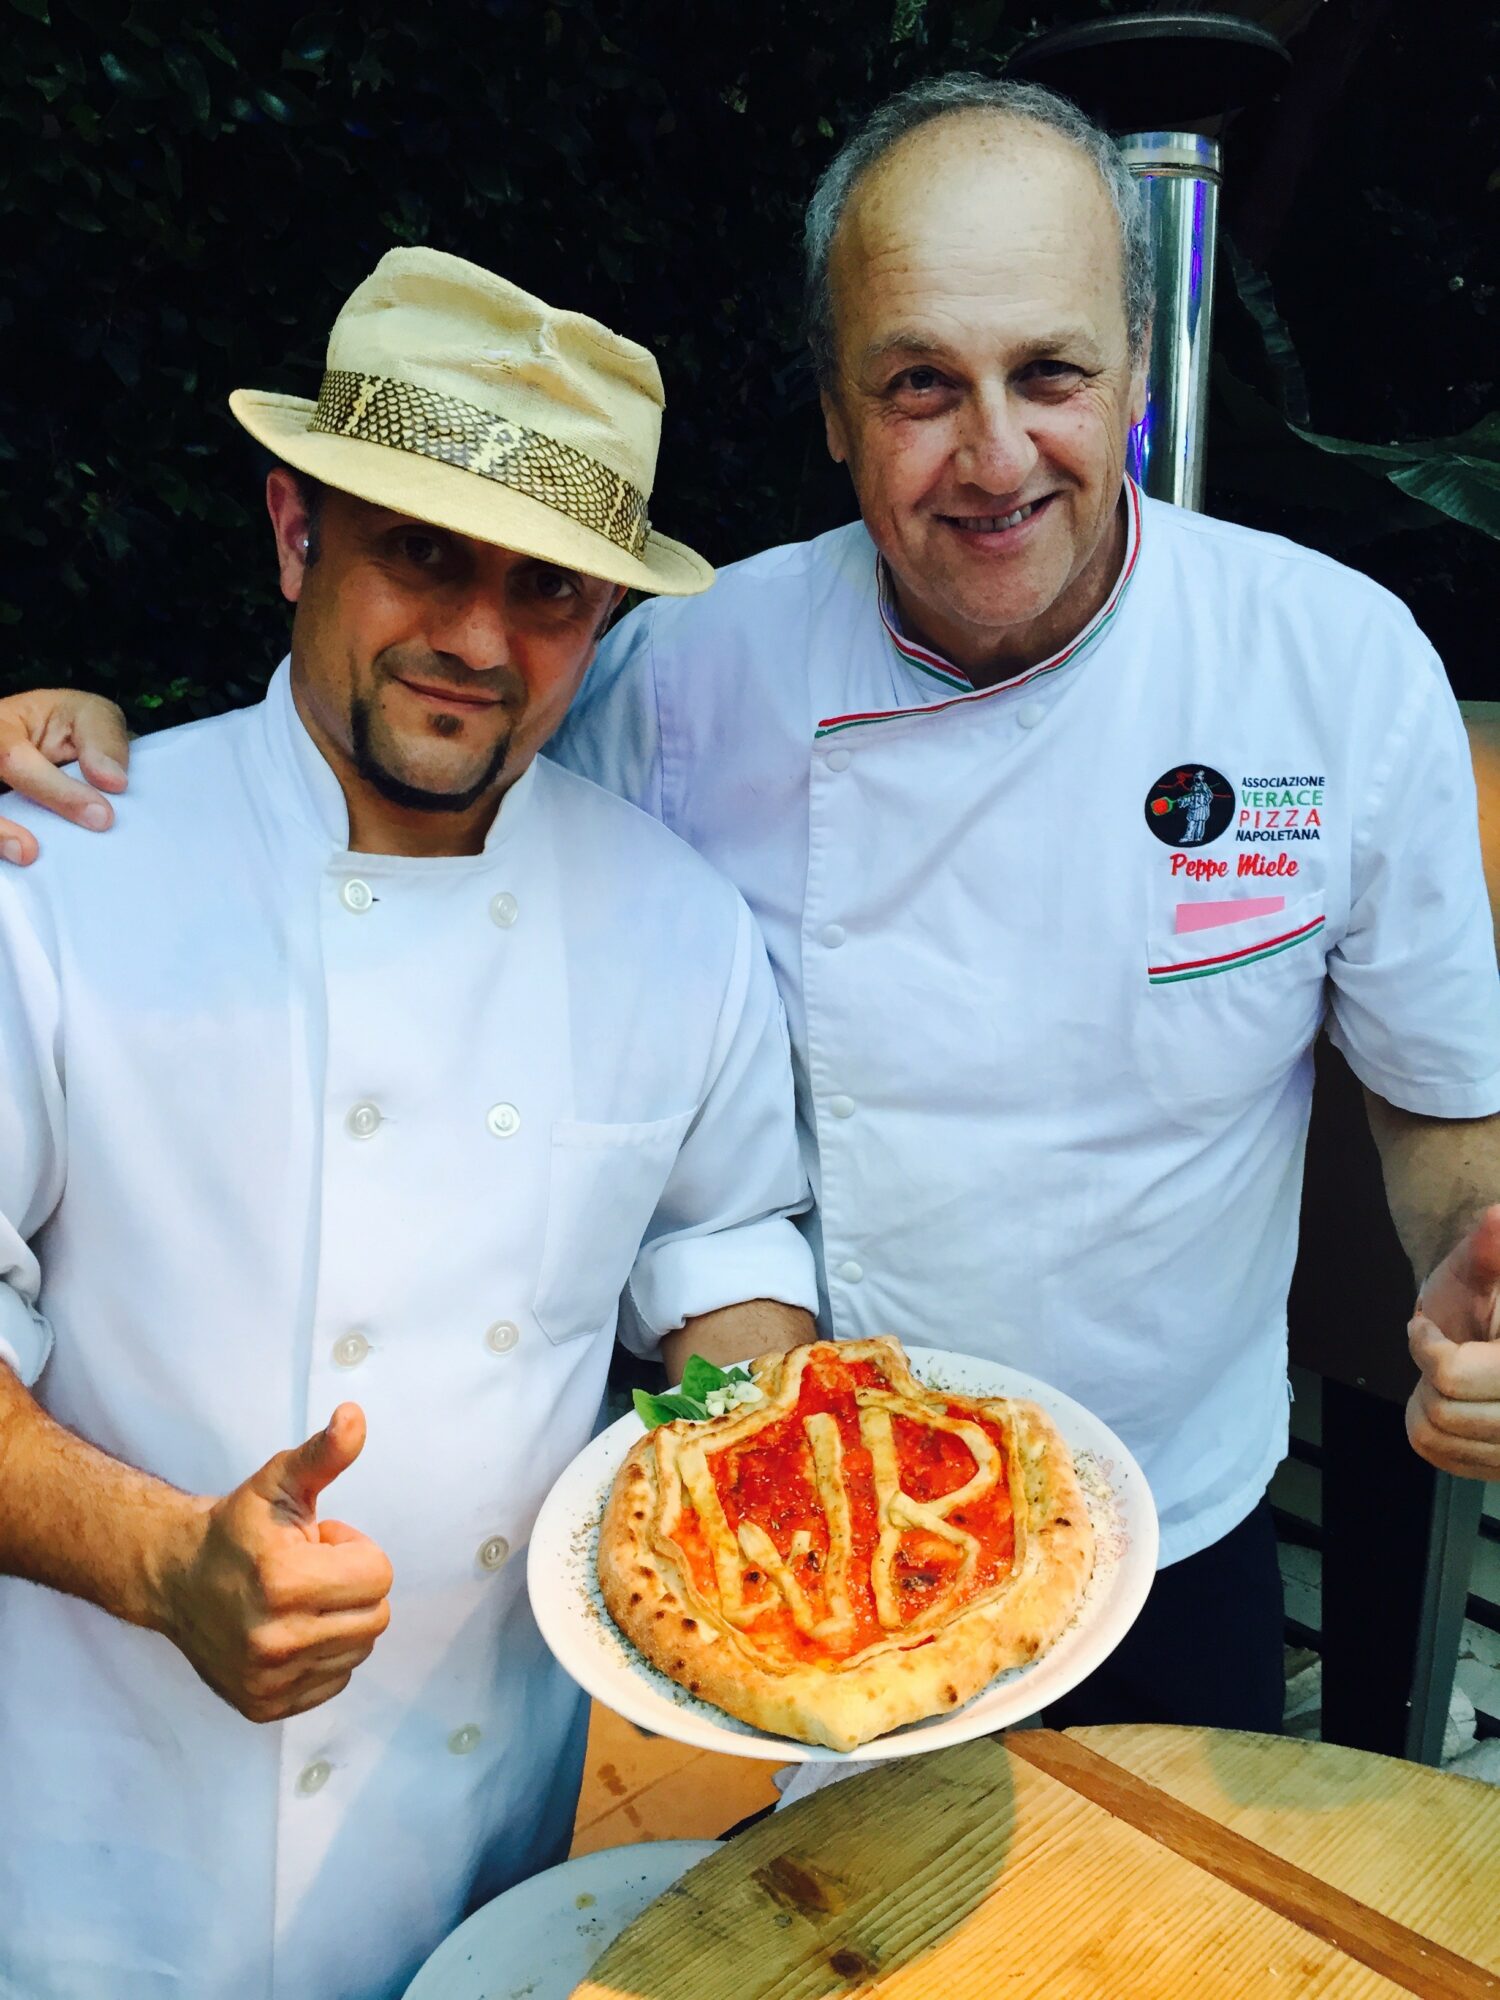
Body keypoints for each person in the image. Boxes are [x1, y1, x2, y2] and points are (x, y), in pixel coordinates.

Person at [8, 76, 1500, 1737]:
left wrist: (1471, 1269)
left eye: (1053, 373)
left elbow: (1452, 1122)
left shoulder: (1342, 669)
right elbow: (395, 757)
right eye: (921, 383)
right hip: (778, 1561)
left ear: (1136, 378)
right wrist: (92, 753)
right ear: (833, 413)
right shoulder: (687, 677)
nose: (995, 454)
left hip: (1175, 1536)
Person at [0, 247, 817, 2000]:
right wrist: (165, 1561)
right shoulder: (57, 875)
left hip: (481, 1867)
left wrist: (772, 1487)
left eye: (548, 590)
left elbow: (724, 1261)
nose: (476, 637)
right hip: (82, 1867)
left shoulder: (680, 927)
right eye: (422, 553)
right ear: (297, 532)